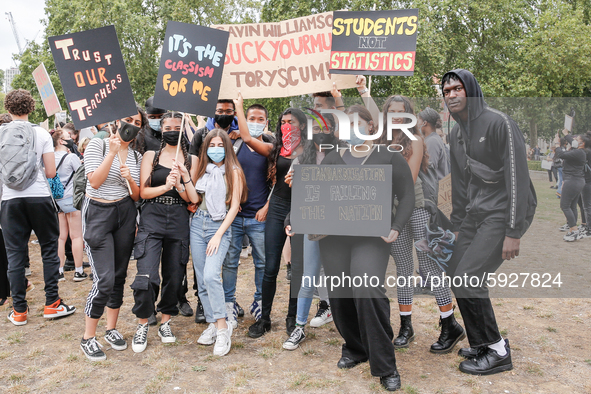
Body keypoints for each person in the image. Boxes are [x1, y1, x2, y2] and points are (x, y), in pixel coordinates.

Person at [442, 69, 535, 375]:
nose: (452, 94)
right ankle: (481, 342)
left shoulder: (499, 123)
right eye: (447, 91)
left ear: (470, 90)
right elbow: (459, 184)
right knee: (456, 271)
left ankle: (496, 351)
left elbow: (517, 178)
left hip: (504, 210)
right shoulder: (455, 133)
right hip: (476, 212)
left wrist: (513, 231)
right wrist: (456, 226)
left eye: (457, 88)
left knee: (469, 275)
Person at [317, 129, 415, 391]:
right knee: (339, 291)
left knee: (367, 286)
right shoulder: (332, 158)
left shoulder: (389, 156)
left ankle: (385, 364)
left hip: (372, 237)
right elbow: (313, 194)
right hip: (334, 237)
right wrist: (292, 219)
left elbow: (407, 194)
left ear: (372, 128)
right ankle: (355, 347)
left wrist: (397, 225)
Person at [379, 96, 462, 353]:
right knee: (402, 267)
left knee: (427, 265)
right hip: (391, 211)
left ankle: (450, 323)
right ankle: (406, 326)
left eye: (400, 112)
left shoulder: (414, 140)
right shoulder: (381, 141)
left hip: (415, 208)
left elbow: (408, 180)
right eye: (391, 111)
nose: (396, 115)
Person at [1, 89, 76, 326]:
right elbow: (51, 172)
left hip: (10, 199)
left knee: (15, 254)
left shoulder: (1, 132)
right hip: (39, 197)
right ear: (31, 108)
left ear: (8, 108)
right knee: (48, 249)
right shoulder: (42, 133)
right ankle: (52, 303)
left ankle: (20, 310)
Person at [80, 108, 144, 361]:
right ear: (117, 120)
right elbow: (94, 181)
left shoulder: (137, 156)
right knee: (104, 279)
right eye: (129, 120)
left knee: (118, 275)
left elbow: (136, 195)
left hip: (125, 213)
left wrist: (130, 179)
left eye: (138, 123)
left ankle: (111, 329)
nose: (132, 126)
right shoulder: (98, 144)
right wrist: (114, 153)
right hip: (98, 213)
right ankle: (88, 337)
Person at [131, 112, 198, 353]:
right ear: (161, 128)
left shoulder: (191, 159)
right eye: (166, 126)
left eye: (176, 126)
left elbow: (194, 199)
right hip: (152, 217)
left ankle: (166, 321)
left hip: (179, 218)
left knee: (174, 273)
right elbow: (142, 193)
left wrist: (180, 184)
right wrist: (164, 186)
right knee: (146, 274)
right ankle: (142, 323)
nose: (171, 130)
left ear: (182, 129)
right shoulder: (151, 155)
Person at [246, 106, 308, 339]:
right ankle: (265, 319)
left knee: (298, 268)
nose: (286, 125)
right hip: (279, 206)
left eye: (291, 121)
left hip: (302, 208)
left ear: (301, 124)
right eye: (283, 122)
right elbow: (246, 137)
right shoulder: (277, 148)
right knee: (270, 266)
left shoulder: (311, 149)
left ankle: (292, 318)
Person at [280, 112, 340, 350]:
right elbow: (297, 197)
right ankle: (299, 327)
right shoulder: (302, 159)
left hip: (341, 226)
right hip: (313, 224)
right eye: (315, 127)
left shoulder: (344, 154)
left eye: (325, 126)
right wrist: (290, 218)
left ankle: (351, 326)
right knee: (308, 276)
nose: (320, 130)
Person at [190, 129, 246, 356]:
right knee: (202, 279)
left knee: (212, 274)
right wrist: (183, 179)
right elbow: (194, 198)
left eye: (220, 145)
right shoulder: (204, 169)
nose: (215, 149)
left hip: (219, 226)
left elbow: (233, 207)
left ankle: (223, 328)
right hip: (197, 224)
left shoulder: (233, 171)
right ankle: (213, 323)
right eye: (211, 145)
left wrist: (218, 234)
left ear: (227, 147)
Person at [223, 100, 274, 327]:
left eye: (259, 119)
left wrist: (266, 207)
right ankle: (229, 304)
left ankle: (260, 302)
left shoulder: (271, 148)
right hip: (234, 216)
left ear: (266, 123)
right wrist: (230, 200)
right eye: (250, 118)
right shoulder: (234, 145)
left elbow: (277, 182)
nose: (254, 123)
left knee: (262, 263)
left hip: (259, 218)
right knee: (230, 261)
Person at [52, 129, 87, 282]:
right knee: (76, 236)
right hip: (71, 199)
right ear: (61, 141)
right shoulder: (71, 157)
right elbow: (81, 174)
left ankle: (59, 271)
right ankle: (78, 271)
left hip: (56, 200)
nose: (71, 138)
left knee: (61, 237)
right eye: (67, 137)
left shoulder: (48, 157)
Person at [555, 131, 586, 241]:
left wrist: (557, 145)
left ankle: (574, 230)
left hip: (573, 181)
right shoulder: (579, 151)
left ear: (582, 143)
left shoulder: (579, 152)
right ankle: (573, 230)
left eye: (577, 140)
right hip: (575, 180)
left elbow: (561, 155)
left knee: (565, 206)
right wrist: (566, 133)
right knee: (572, 206)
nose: (574, 141)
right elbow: (572, 143)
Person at [418, 108, 449, 181]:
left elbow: (429, 168)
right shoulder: (432, 139)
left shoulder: (432, 141)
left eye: (418, 120)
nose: (417, 123)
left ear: (424, 123)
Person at [579, 132, 591, 238]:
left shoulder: (586, 152)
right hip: (586, 180)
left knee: (587, 206)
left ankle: (589, 228)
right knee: (585, 205)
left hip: (587, 180)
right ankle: (586, 224)